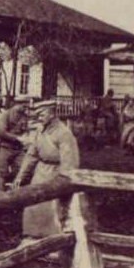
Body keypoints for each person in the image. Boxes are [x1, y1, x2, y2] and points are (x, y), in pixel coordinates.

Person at [13, 100, 79, 239]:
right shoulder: (40, 130)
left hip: (56, 172)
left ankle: (54, 239)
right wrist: (20, 176)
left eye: (42, 114)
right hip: (40, 171)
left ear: (52, 114)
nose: (39, 117)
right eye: (37, 114)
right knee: (33, 203)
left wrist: (63, 182)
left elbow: (70, 162)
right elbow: (31, 155)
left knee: (54, 208)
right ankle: (32, 236)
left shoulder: (63, 133)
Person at [0, 97, 29, 192]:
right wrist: (17, 138)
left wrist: (26, 137)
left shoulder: (24, 115)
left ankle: (15, 192)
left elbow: (25, 129)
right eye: (24, 106)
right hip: (5, 148)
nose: (26, 108)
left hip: (19, 148)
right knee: (2, 173)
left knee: (22, 170)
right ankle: (0, 194)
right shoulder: (6, 114)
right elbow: (0, 131)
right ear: (17, 104)